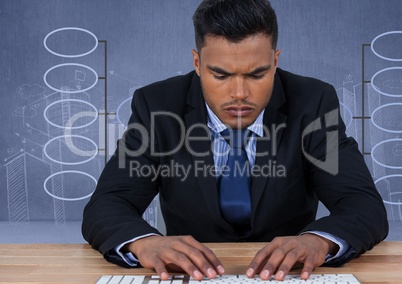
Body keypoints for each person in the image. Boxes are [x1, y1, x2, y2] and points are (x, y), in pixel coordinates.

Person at [82, 0, 388, 281]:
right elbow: (109, 202)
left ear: (275, 61)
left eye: (256, 75)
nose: (239, 93)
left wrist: (318, 241)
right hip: (190, 277)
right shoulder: (157, 106)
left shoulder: (313, 103)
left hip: (288, 277)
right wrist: (144, 242)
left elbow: (362, 204)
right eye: (221, 75)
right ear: (197, 63)